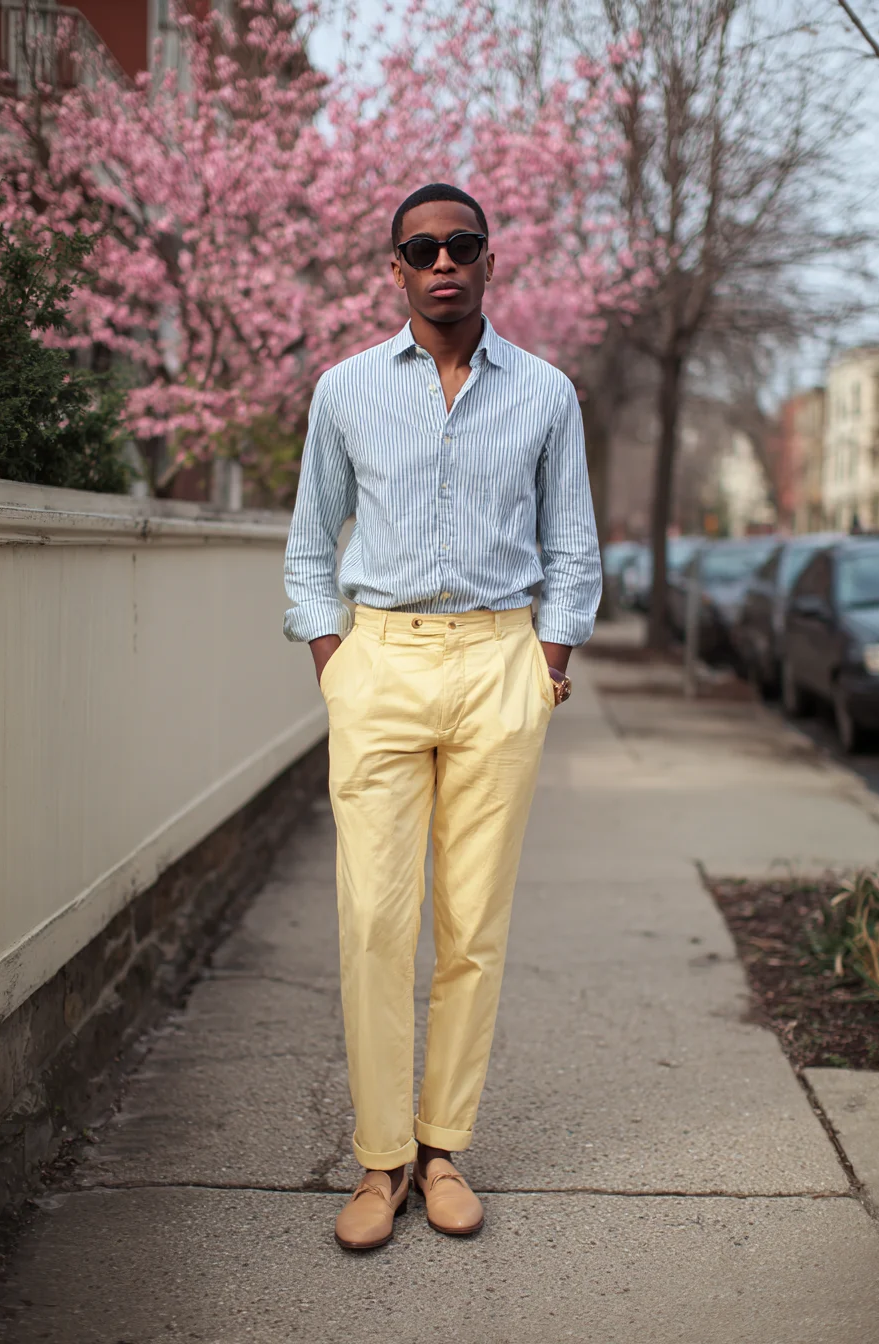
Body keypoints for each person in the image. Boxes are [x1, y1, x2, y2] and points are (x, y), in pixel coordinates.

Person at [283, 182, 601, 1250]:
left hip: (499, 664)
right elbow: (306, 540)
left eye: (460, 244)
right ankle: (377, 1164)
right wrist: (335, 659)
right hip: (381, 660)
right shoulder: (345, 390)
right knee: (375, 920)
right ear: (395, 269)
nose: (441, 262)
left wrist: (546, 659)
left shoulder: (546, 393)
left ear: (488, 262)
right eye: (420, 249)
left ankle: (441, 1148)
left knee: (472, 924)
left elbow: (571, 544)